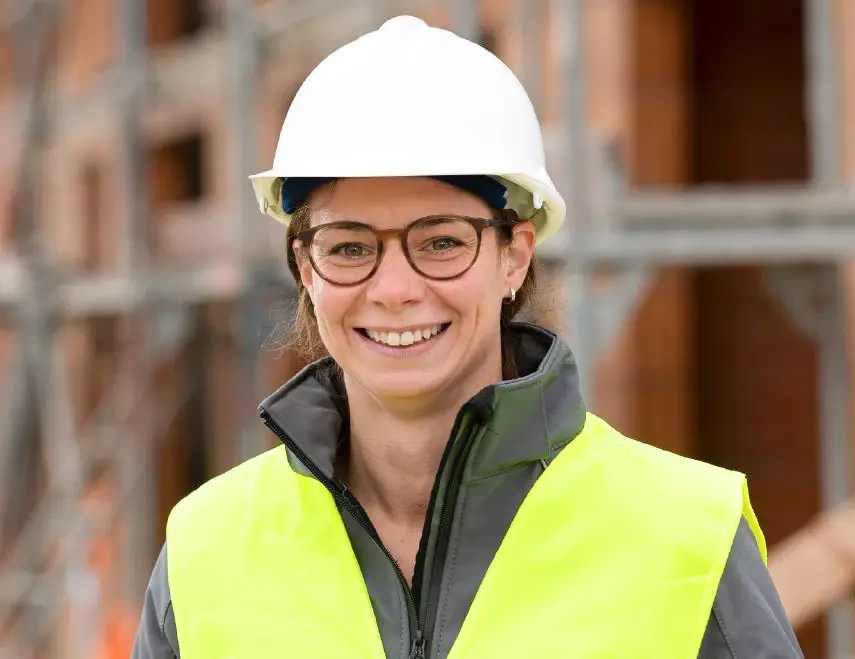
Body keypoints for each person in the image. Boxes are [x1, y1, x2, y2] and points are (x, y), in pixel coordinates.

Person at [132, 15, 803, 659]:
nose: (393, 289)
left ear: (514, 254)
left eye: (441, 241)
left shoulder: (685, 534)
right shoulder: (205, 550)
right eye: (348, 247)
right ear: (306, 268)